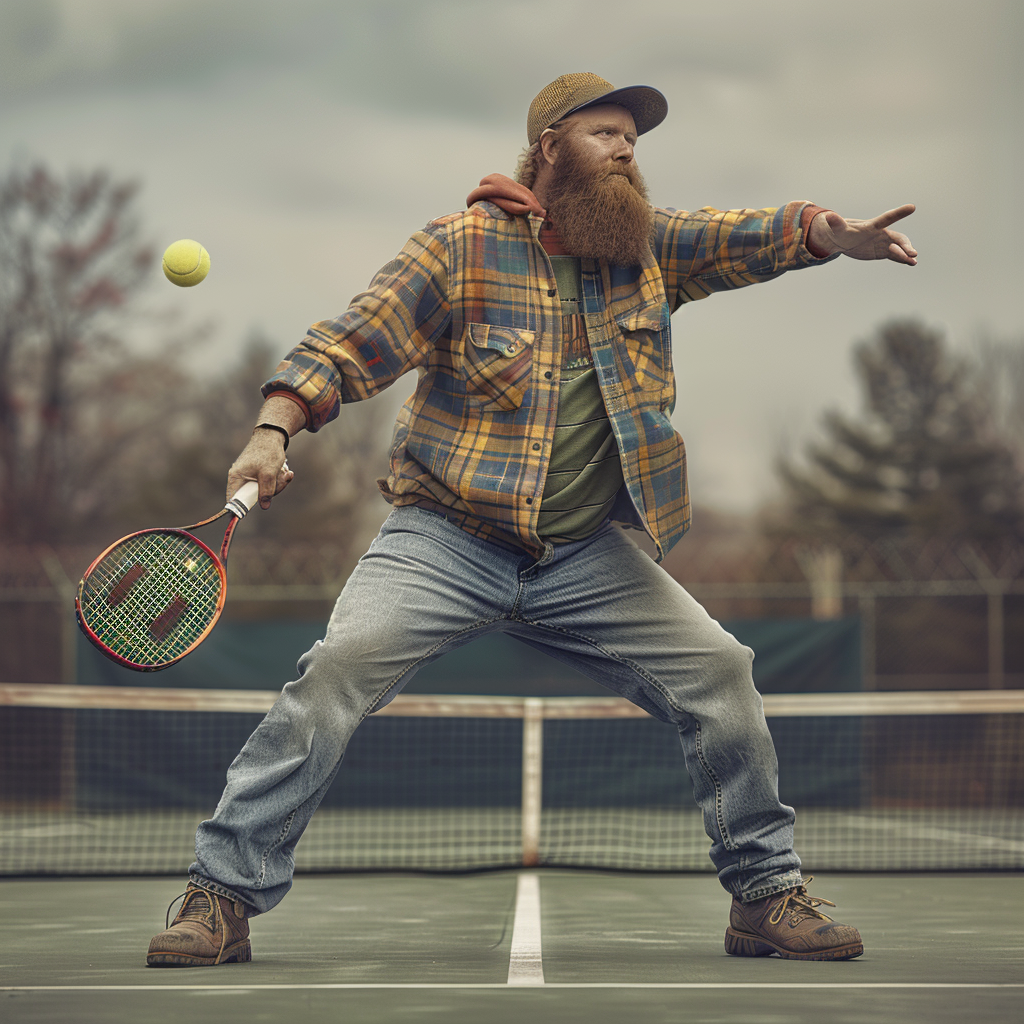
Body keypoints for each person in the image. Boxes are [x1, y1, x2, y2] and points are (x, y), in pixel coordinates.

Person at [147, 72, 916, 967]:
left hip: (591, 554)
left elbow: (751, 234)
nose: (627, 150)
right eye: (604, 133)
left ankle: (764, 895)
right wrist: (273, 429)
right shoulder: (459, 247)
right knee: (332, 677)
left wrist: (831, 233)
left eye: (634, 137)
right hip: (444, 541)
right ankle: (219, 897)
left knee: (723, 674)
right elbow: (348, 343)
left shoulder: (652, 248)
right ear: (549, 145)